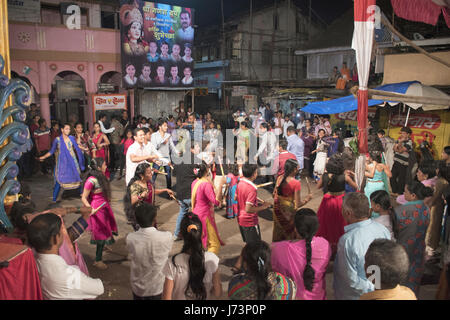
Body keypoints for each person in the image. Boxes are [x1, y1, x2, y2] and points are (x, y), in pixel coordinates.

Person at [27, 213, 104, 300]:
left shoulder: (32, 261)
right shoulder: (69, 275)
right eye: (62, 231)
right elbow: (98, 288)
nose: (65, 234)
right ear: (55, 238)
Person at [333, 192, 391, 300]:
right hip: (380, 291)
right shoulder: (383, 230)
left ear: (348, 213)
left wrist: (372, 288)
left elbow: (350, 279)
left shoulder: (347, 240)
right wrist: (377, 287)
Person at [271, 208, 332, 300]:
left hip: (294, 296)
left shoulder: (279, 249)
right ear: (316, 227)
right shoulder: (324, 244)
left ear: (295, 229)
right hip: (319, 296)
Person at [162, 214, 222, 300]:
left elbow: (166, 298)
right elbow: (217, 293)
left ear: (180, 234)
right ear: (202, 234)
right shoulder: (211, 259)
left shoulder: (172, 262)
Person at [126, 203, 173, 300]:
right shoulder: (167, 237)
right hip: (158, 287)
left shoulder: (130, 238)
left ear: (136, 220)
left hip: (138, 288)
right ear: (154, 220)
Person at [395, 181, 433, 295]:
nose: (403, 193)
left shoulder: (402, 210)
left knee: (400, 283)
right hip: (418, 250)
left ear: (413, 195)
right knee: (413, 284)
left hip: (402, 251)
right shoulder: (425, 209)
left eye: (405, 191)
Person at [81, 158, 118, 270]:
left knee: (106, 228)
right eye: (104, 164)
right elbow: (83, 197)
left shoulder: (101, 176)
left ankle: (103, 246)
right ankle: (98, 260)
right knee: (101, 233)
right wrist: (90, 209)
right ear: (98, 167)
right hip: (97, 209)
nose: (106, 166)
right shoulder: (91, 180)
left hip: (104, 206)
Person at [228, 240, 297, 300]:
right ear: (269, 260)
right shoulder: (288, 284)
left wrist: (236, 268)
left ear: (245, 264)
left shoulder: (236, 288)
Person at [38, 123, 85, 202]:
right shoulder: (58, 140)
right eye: (66, 129)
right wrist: (43, 157)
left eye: (69, 129)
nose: (68, 130)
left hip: (72, 163)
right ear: (62, 130)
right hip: (62, 164)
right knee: (59, 180)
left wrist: (84, 148)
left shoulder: (72, 138)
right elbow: (52, 151)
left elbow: (77, 146)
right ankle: (54, 199)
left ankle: (82, 195)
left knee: (77, 178)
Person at [124, 162, 174, 231]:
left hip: (150, 214)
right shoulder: (135, 185)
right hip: (141, 216)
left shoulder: (148, 182)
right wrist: (141, 196)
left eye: (151, 171)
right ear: (141, 175)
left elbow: (152, 191)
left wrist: (165, 190)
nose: (151, 174)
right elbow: (133, 201)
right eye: (149, 173)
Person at [273, 159, 312, 242]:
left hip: (277, 209)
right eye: (298, 167)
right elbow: (297, 204)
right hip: (288, 212)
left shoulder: (280, 178)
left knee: (278, 231)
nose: (299, 169)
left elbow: (274, 194)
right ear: (294, 169)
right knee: (288, 234)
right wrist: (307, 199)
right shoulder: (296, 183)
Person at [315, 154, 347, 254]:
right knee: (339, 222)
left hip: (327, 200)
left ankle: (326, 245)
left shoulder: (325, 176)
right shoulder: (344, 177)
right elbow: (356, 186)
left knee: (326, 222)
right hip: (340, 201)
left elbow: (317, 187)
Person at [191, 163, 223, 255]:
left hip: (196, 213)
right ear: (206, 171)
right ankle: (209, 264)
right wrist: (221, 185)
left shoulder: (195, 182)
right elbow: (216, 201)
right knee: (214, 244)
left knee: (199, 241)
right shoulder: (205, 184)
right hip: (205, 216)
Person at [236, 164, 271, 245]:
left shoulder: (240, 182)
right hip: (249, 221)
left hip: (240, 219)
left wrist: (257, 199)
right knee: (255, 247)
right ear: (254, 174)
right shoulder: (252, 189)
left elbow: (236, 197)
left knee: (249, 245)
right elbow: (248, 209)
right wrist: (263, 207)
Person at [172, 142, 199, 240]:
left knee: (182, 213)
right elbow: (201, 174)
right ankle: (196, 236)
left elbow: (174, 173)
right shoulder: (196, 160)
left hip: (180, 193)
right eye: (197, 146)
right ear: (192, 148)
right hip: (190, 193)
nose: (199, 148)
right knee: (197, 215)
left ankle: (176, 234)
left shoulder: (179, 159)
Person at [426, 162, 449, 259]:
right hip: (440, 206)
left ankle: (431, 246)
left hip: (436, 206)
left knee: (433, 225)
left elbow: (436, 195)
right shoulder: (444, 181)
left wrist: (429, 203)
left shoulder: (440, 182)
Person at [151, 119, 179, 190]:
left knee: (168, 177)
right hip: (157, 159)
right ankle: (150, 192)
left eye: (167, 126)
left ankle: (169, 192)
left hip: (167, 159)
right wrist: (163, 142)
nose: (166, 127)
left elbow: (172, 146)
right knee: (153, 176)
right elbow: (154, 148)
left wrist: (177, 152)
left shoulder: (168, 135)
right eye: (165, 126)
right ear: (160, 126)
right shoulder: (154, 135)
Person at [390, 126, 414, 196]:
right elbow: (394, 148)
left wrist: (399, 143)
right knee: (392, 176)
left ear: (408, 134)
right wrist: (399, 145)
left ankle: (399, 193)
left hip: (403, 163)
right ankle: (394, 191)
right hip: (396, 161)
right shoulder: (399, 140)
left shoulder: (409, 143)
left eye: (404, 133)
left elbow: (400, 150)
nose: (402, 135)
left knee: (401, 179)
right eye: (402, 133)